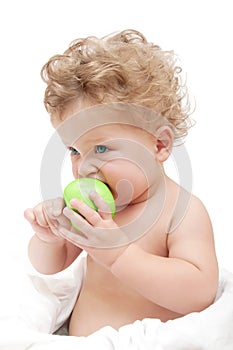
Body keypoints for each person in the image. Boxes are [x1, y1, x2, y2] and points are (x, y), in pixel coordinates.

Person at [24, 29, 218, 337]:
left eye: (101, 148)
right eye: (74, 151)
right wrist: (50, 239)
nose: (84, 166)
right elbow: (50, 265)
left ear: (159, 145)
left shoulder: (180, 212)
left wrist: (119, 255)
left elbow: (199, 293)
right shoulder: (95, 208)